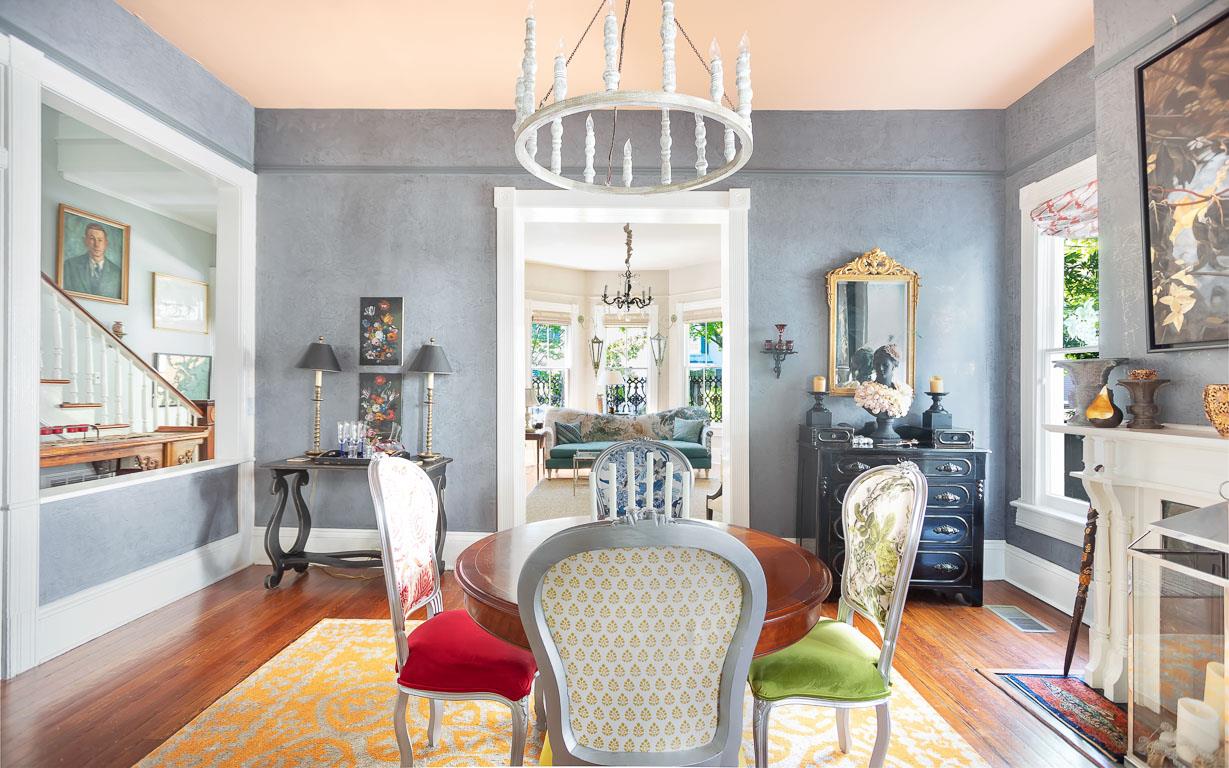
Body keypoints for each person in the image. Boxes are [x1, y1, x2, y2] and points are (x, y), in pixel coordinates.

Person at [62, 222, 122, 300]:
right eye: (92, 239)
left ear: (106, 243)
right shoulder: (70, 265)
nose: (96, 245)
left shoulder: (117, 272)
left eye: (100, 240)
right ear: (85, 241)